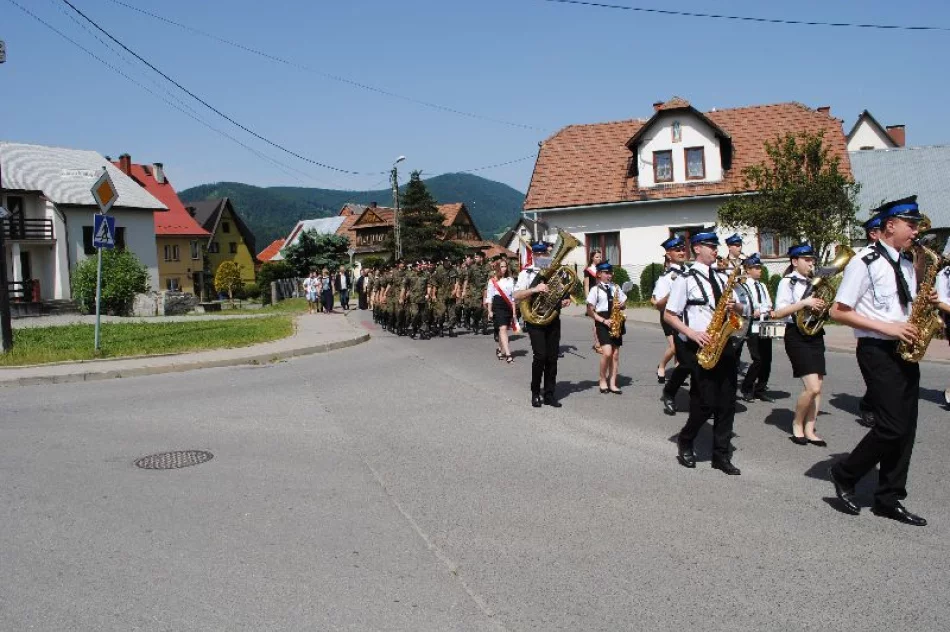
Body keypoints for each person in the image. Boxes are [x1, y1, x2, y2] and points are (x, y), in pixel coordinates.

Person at [828, 196, 933, 526]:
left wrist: (923, 305)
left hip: (903, 350)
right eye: (911, 225)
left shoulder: (904, 263)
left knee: (907, 429)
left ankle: (889, 497)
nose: (915, 232)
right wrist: (888, 327)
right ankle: (845, 473)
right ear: (891, 225)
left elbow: (899, 308)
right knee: (891, 426)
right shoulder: (865, 261)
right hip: (876, 350)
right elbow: (838, 311)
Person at [664, 231, 743, 475]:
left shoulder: (722, 278)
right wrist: (693, 333)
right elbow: (669, 315)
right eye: (710, 246)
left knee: (728, 402)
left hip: (724, 343)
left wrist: (736, 306)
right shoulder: (684, 279)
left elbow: (741, 307)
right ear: (697, 248)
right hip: (698, 345)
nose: (715, 250)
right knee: (705, 402)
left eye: (715, 246)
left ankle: (720, 455)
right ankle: (686, 439)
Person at [771, 244, 827, 446]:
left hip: (815, 332)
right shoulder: (788, 282)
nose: (811, 263)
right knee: (811, 387)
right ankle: (797, 424)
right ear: (795, 262)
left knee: (818, 386)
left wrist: (821, 307)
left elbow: (819, 307)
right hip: (796, 334)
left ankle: (810, 429)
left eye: (812, 259)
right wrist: (805, 303)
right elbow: (778, 312)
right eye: (807, 260)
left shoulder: (815, 281)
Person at [514, 242, 570, 408]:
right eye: (538, 254)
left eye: (544, 254)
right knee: (540, 356)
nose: (542, 257)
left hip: (552, 318)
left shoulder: (554, 272)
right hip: (534, 320)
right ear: (534, 256)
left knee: (552, 358)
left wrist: (564, 298)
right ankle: (535, 392)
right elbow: (516, 295)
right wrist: (534, 290)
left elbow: (560, 291)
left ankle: (549, 394)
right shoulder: (526, 273)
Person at [655, 237, 691, 415]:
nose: (681, 252)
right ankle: (669, 390)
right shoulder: (666, 278)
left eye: (682, 249)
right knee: (683, 357)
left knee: (692, 362)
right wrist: (674, 292)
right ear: (668, 255)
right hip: (673, 320)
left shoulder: (692, 272)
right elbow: (659, 305)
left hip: (691, 322)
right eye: (677, 250)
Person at [856, 215, 883, 427]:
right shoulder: (863, 261)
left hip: (897, 334)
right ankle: (868, 406)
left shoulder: (900, 260)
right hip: (872, 334)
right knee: (879, 383)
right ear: (874, 234)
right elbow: (843, 307)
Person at [587, 261, 627, 394]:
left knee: (615, 355)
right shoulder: (595, 290)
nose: (609, 275)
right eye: (606, 273)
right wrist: (604, 321)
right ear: (599, 274)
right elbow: (590, 311)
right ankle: (602, 379)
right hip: (602, 322)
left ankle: (612, 383)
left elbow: (624, 302)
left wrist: (622, 305)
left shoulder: (616, 287)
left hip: (615, 321)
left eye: (610, 273)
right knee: (607, 353)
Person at [739, 253, 774, 402]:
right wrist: (752, 311)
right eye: (756, 267)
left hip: (764, 322)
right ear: (747, 269)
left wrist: (770, 310)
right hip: (751, 324)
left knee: (767, 359)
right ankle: (746, 387)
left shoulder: (762, 285)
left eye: (760, 267)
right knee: (758, 359)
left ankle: (760, 389)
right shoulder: (743, 286)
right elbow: (742, 305)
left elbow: (768, 303)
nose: (760, 270)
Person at [487, 257, 518, 363]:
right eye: (501, 267)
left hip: (508, 306)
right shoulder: (493, 280)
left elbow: (513, 297)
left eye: (505, 266)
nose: (504, 269)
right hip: (498, 305)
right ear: (497, 268)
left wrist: (514, 311)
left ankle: (500, 349)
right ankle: (508, 354)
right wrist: (489, 311)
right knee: (503, 328)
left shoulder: (510, 279)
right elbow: (489, 296)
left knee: (503, 330)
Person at [584, 249, 604, 355]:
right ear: (592, 258)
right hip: (593, 297)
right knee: (596, 321)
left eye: (600, 257)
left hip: (602, 296)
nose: (599, 259)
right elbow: (586, 285)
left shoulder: (602, 268)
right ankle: (597, 344)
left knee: (603, 319)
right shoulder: (588, 270)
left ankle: (603, 341)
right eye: (597, 257)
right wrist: (588, 300)